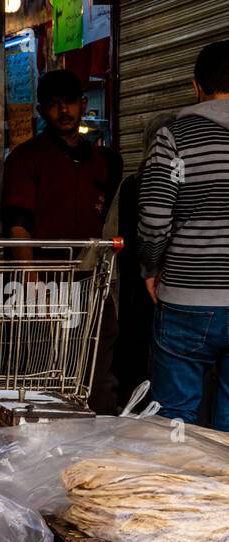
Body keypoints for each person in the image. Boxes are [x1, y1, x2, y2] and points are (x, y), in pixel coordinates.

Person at [0, 68, 123, 413]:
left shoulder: (105, 162)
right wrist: (30, 279)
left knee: (96, 369)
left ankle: (98, 439)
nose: (63, 111)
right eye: (53, 105)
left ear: (83, 104)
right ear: (42, 111)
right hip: (44, 281)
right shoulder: (26, 160)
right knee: (40, 371)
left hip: (90, 281)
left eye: (69, 102)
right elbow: (19, 224)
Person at [138, 39, 229, 429]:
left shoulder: (173, 139)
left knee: (176, 424)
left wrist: (150, 268)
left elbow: (155, 218)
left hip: (186, 301)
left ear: (196, 86)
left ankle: (179, 489)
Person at [103, 113, 175, 408]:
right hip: (165, 288)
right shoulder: (137, 185)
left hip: (139, 288)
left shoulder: (134, 184)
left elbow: (111, 238)